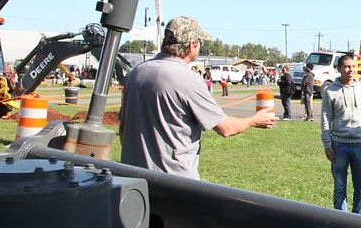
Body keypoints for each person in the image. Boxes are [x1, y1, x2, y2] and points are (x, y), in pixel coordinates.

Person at [118, 16, 277, 180]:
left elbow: (123, 128)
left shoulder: (136, 73)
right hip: (173, 183)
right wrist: (256, 120)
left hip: (134, 180)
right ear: (190, 45)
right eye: (199, 42)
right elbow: (226, 128)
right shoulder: (188, 79)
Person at [321, 54, 361, 214]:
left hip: (359, 145)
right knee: (339, 187)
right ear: (339, 69)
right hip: (338, 145)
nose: (351, 70)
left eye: (353, 66)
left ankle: (358, 218)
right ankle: (341, 220)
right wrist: (327, 145)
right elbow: (325, 118)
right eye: (347, 66)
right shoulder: (330, 91)